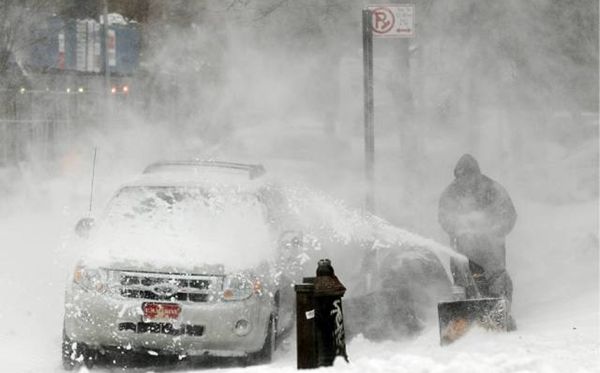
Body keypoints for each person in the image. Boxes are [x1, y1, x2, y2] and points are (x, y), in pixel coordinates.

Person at [438, 154, 517, 310]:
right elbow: (444, 217)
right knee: (461, 279)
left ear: (477, 174)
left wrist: (494, 231)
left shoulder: (492, 189)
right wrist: (459, 229)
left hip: (491, 246)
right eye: (461, 177)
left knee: (496, 276)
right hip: (462, 246)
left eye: (469, 175)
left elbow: (508, 214)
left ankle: (500, 309)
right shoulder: (450, 194)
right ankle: (463, 312)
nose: (465, 181)